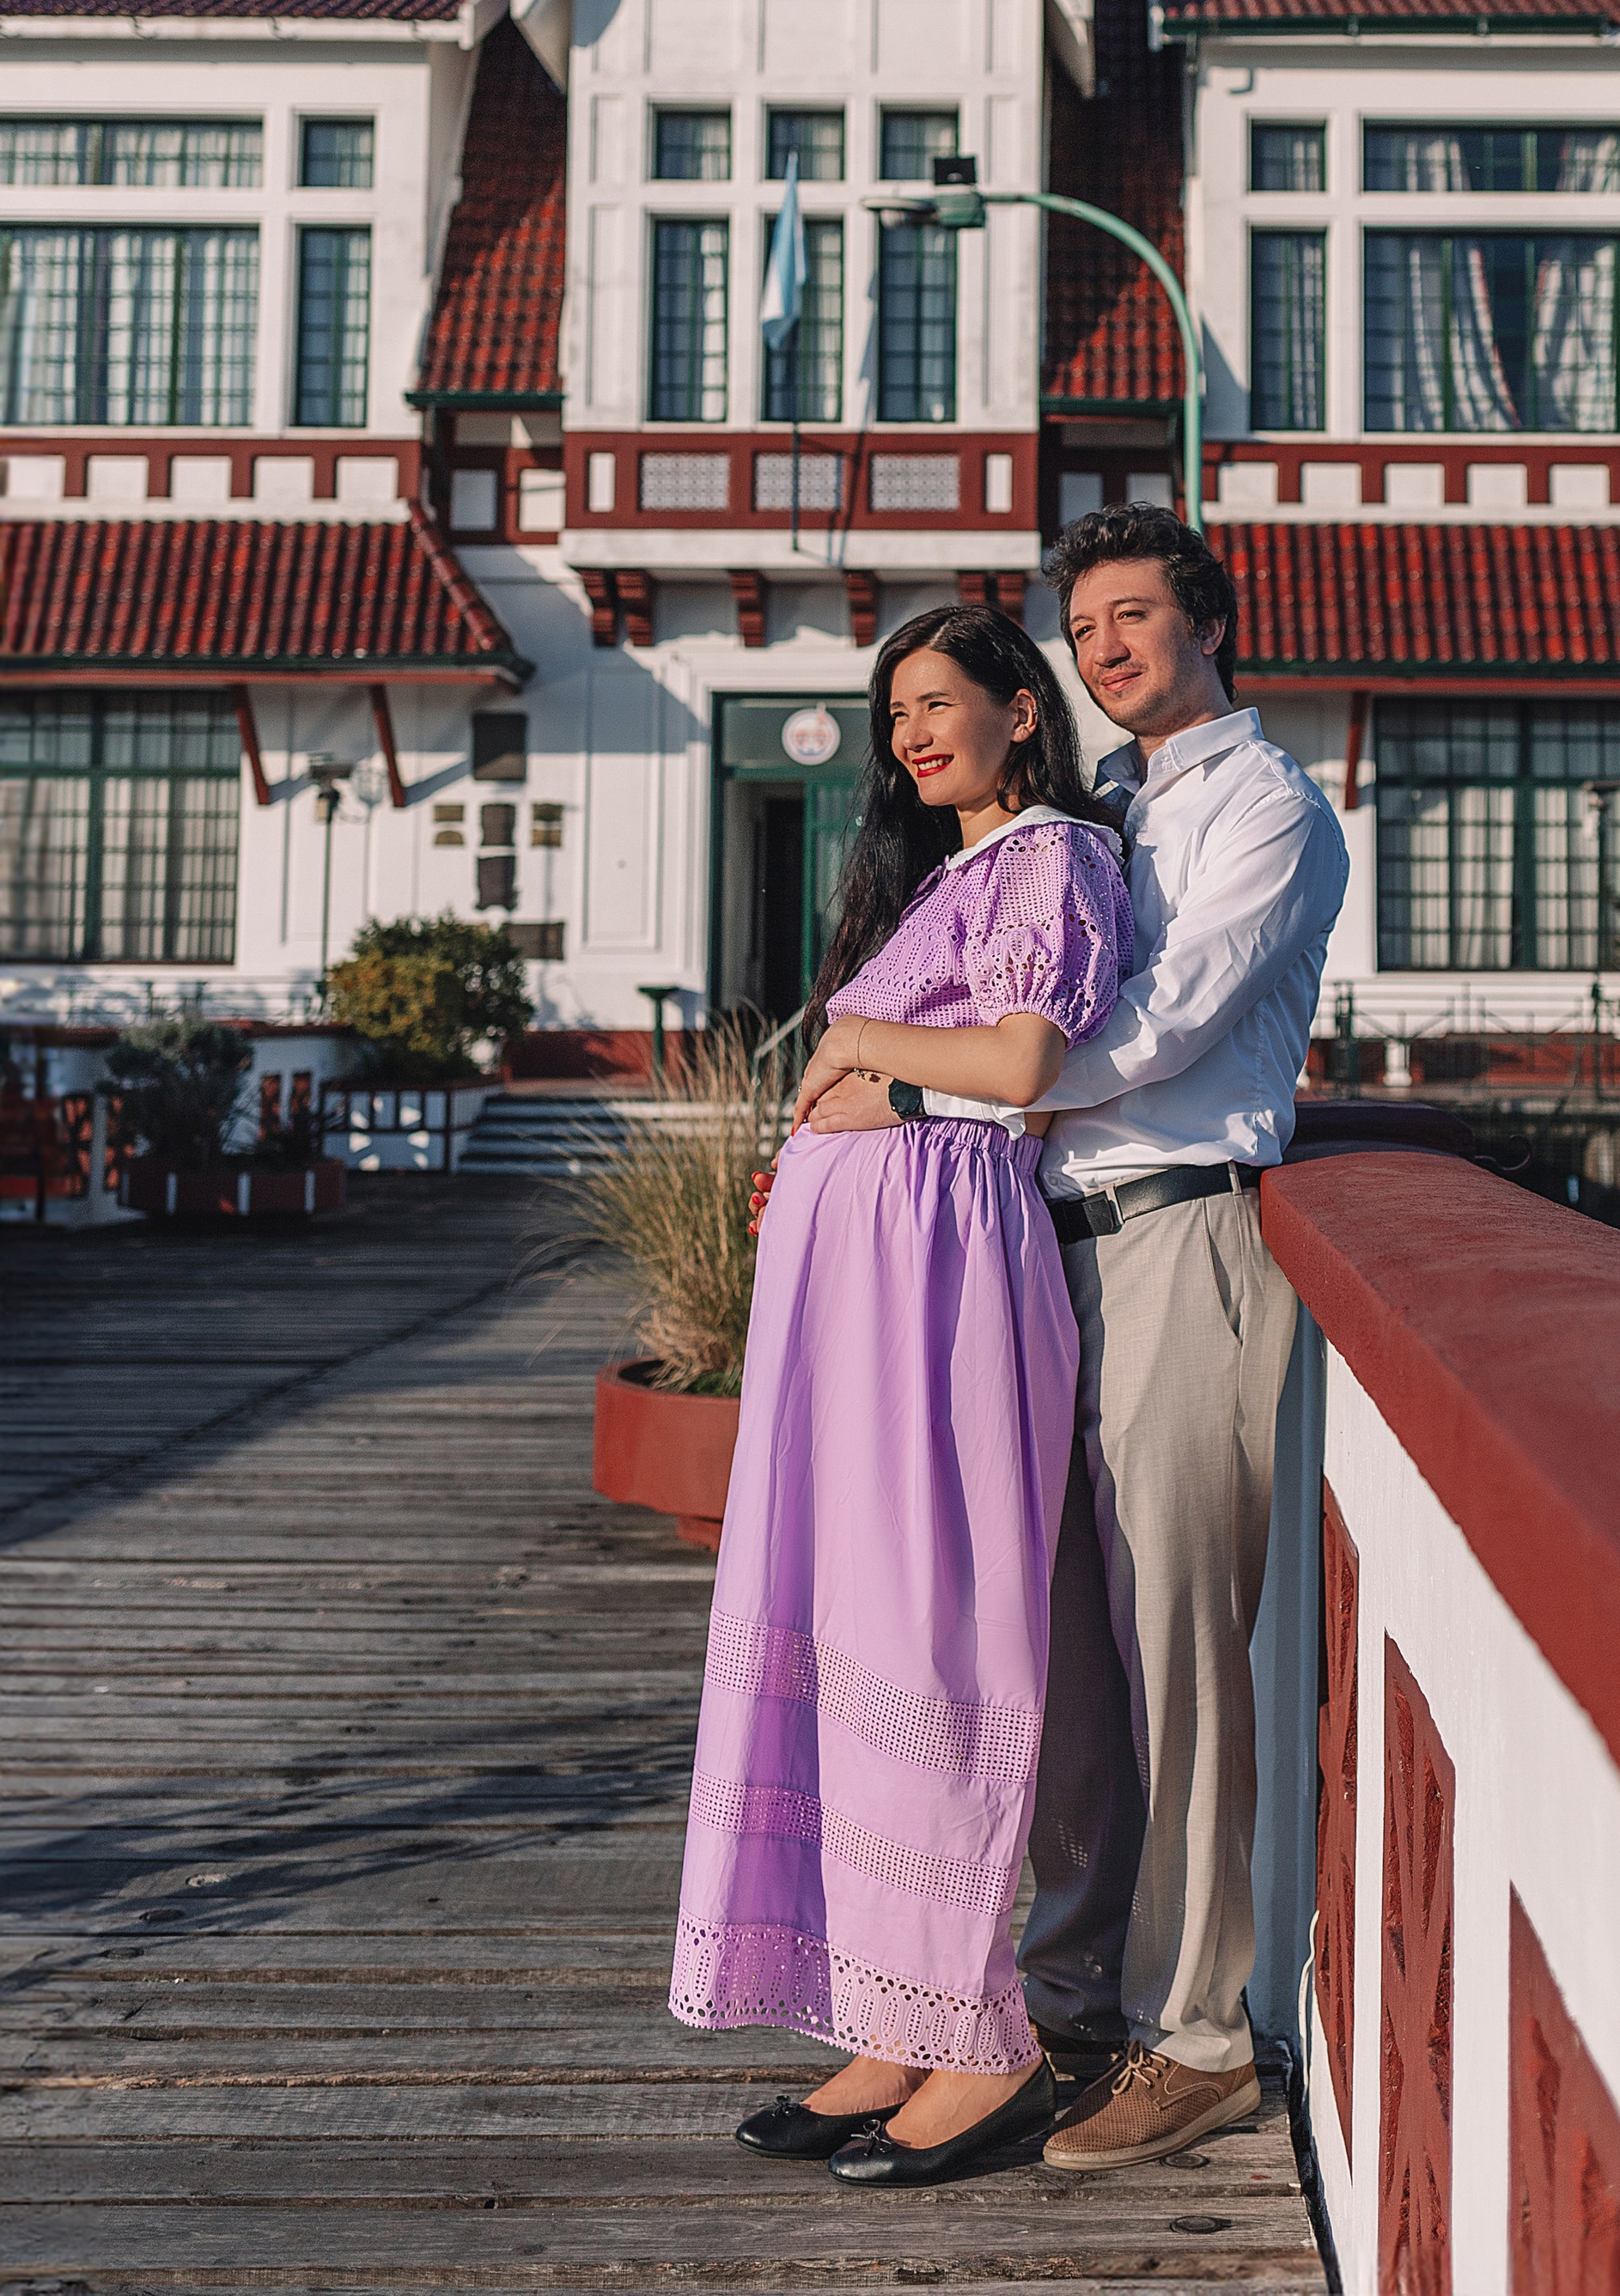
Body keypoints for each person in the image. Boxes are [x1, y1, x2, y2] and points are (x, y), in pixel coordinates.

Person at [800, 505, 1349, 2174]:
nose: (1107, 647)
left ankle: (1199, 2035)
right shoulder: (1100, 808)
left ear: (1209, 622)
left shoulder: (1268, 808)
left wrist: (921, 1077)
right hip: (1038, 1256)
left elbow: (1150, 1029)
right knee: (1054, 1654)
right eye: (1086, 623)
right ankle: (1064, 2002)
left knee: (1177, 1643)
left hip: (1180, 1235)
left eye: (1135, 616)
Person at [668, 603, 1134, 2191]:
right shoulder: (951, 874)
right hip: (868, 1282)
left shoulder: (1057, 858)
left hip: (943, 1283)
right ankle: (898, 2012)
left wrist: (857, 1044)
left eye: (940, 702)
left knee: (932, 1630)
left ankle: (984, 2034)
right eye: (896, 715)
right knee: (852, 1618)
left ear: (1023, 709)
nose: (913, 735)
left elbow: (1023, 1064)